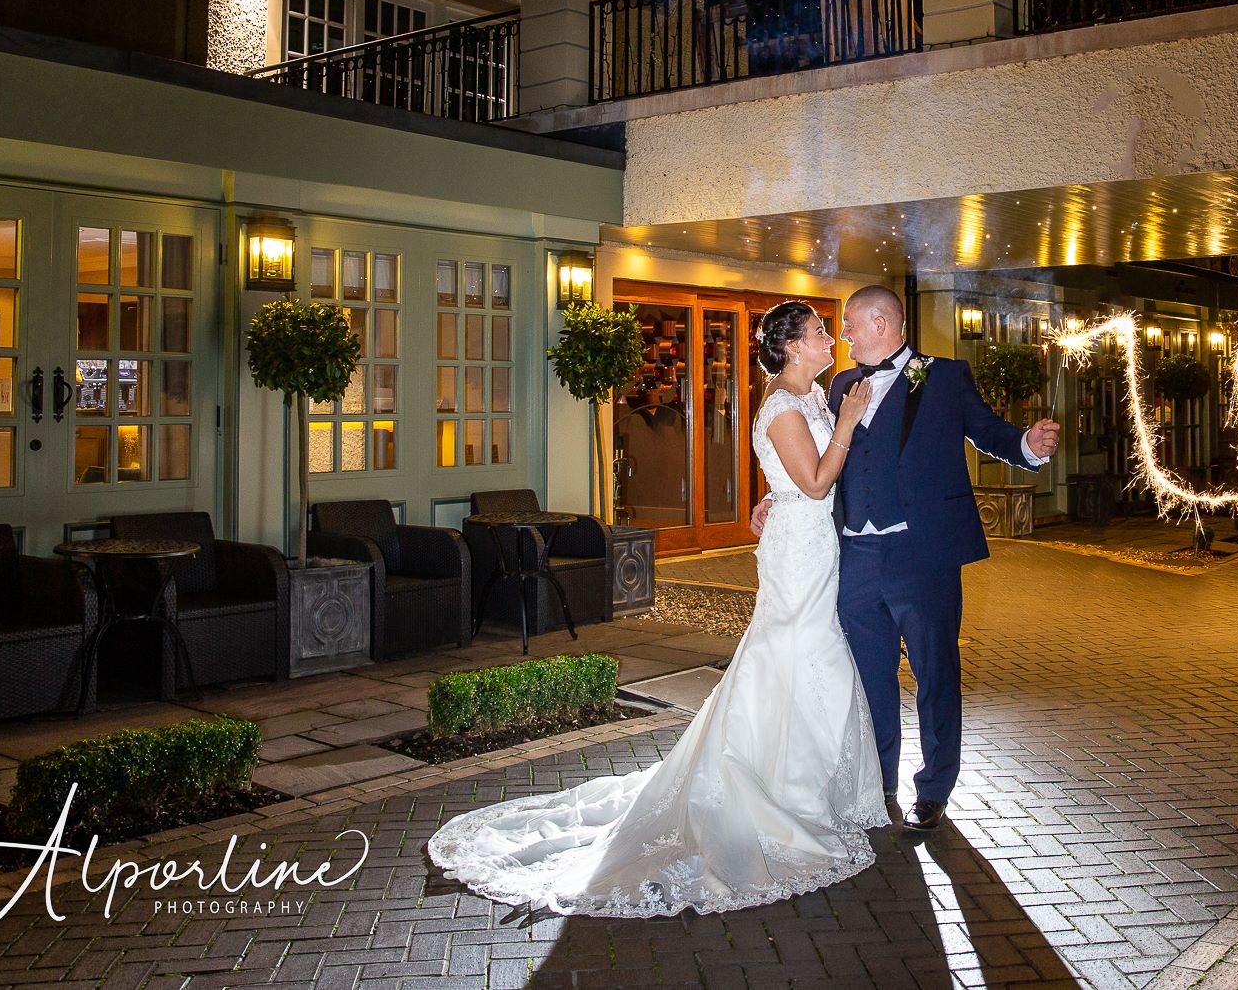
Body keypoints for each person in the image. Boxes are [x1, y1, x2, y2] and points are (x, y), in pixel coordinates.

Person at [428, 301, 886, 916]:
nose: (830, 338)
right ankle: (782, 793)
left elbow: (790, 476)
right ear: (794, 347)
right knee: (806, 654)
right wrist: (848, 425)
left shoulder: (805, 394)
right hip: (800, 551)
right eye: (820, 332)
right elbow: (814, 481)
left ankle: (799, 787)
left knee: (796, 657)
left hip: (808, 542)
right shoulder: (782, 402)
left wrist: (768, 495)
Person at [751, 285, 1060, 832]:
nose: (841, 334)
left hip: (924, 555)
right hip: (853, 556)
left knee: (935, 672)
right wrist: (776, 497)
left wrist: (1028, 445)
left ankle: (935, 787)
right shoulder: (837, 387)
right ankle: (880, 783)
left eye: (846, 324)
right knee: (868, 679)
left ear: (880, 323)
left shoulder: (943, 377)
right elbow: (811, 461)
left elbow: (988, 433)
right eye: (831, 329)